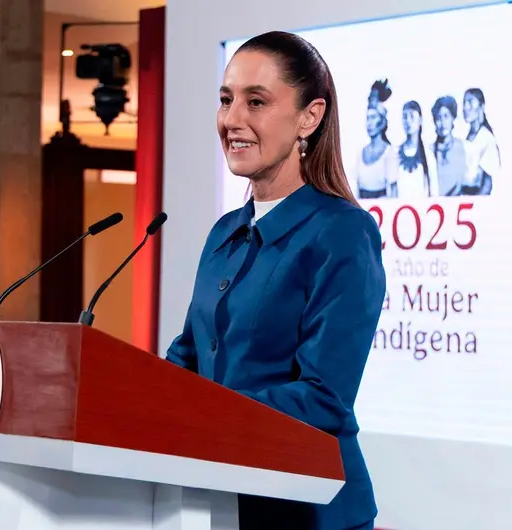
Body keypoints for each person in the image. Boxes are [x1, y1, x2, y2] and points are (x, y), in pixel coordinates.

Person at [165, 30, 386, 530]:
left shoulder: (344, 233)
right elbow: (187, 360)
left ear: (310, 116)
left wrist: (203, 416)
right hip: (217, 503)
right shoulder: (226, 232)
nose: (232, 120)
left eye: (256, 102)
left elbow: (324, 397)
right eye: (226, 100)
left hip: (305, 510)